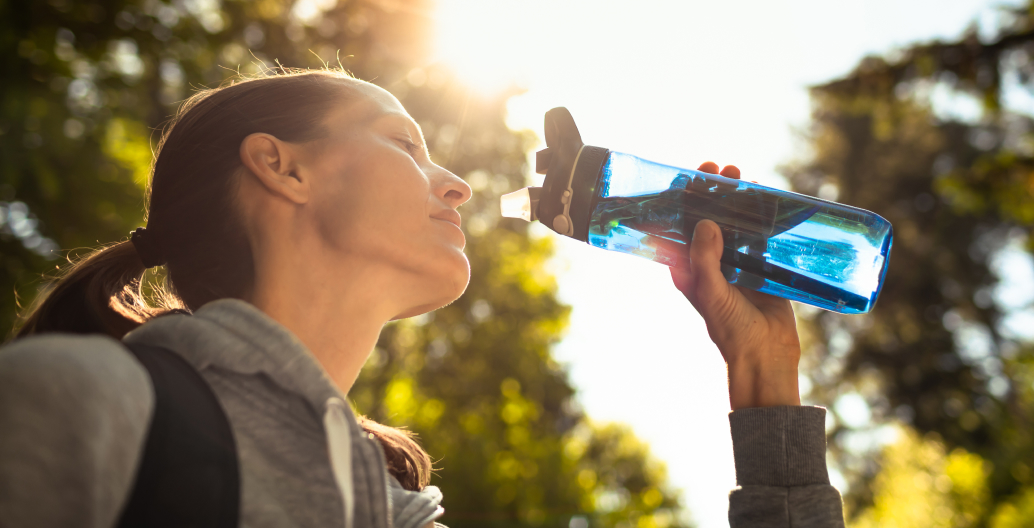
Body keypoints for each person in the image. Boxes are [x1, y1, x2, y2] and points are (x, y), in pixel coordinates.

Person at [0, 70, 844, 528]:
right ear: (281, 166)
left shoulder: (395, 515)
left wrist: (764, 378)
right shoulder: (88, 410)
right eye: (406, 143)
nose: (457, 188)